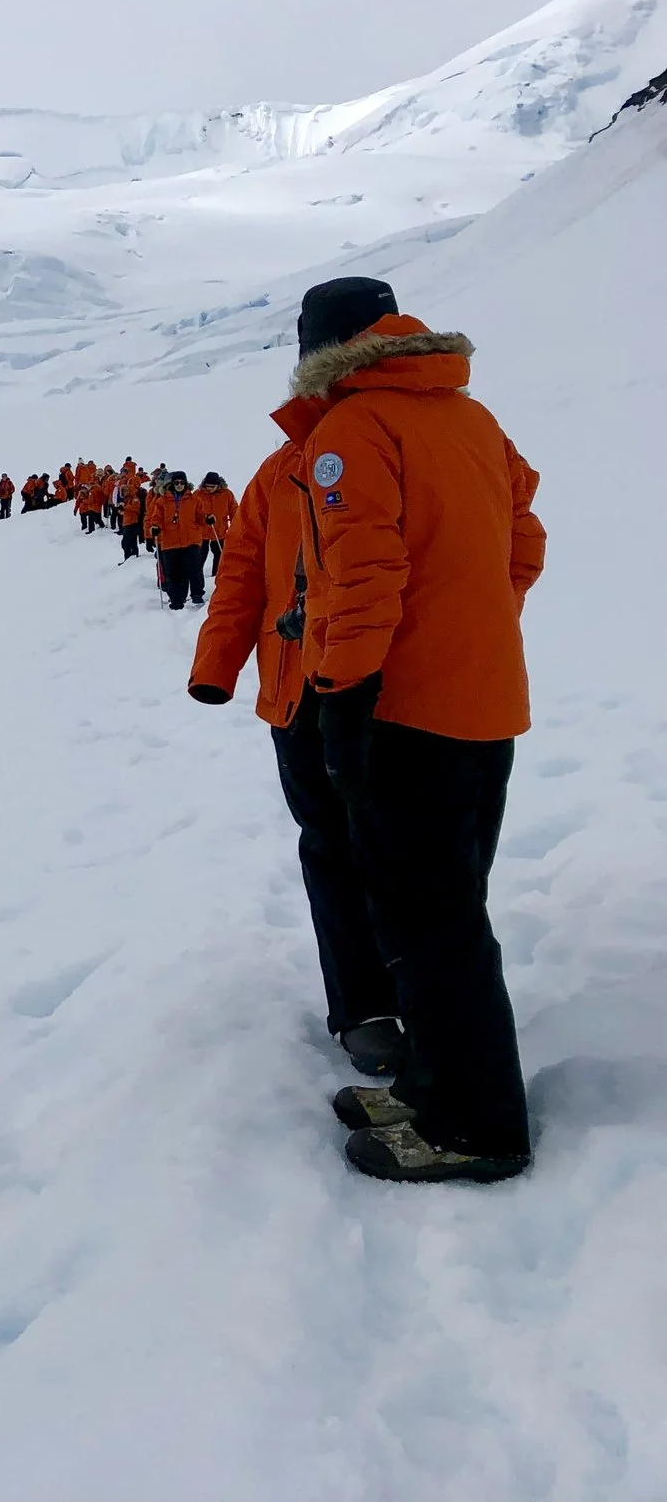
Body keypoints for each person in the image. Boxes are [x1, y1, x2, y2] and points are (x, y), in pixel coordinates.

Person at [288, 276, 544, 1183]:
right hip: (483, 704)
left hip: (405, 712)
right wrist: (472, 628)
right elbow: (524, 541)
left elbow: (362, 576)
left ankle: (475, 1124)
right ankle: (439, 1082)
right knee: (443, 910)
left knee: (430, 922)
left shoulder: (354, 431)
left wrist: (344, 698)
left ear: (325, 345)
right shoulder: (471, 419)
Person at [187, 384, 403, 1083]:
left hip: (392, 687)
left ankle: (423, 992)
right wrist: (215, 665)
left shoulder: (410, 445)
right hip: (299, 692)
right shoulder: (279, 472)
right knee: (332, 847)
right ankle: (365, 1007)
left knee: (400, 845)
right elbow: (243, 571)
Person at [151, 472, 211, 609]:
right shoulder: (162, 501)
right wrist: (155, 527)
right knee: (173, 573)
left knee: (193, 569)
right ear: (172, 484)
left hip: (191, 540)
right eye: (176, 483)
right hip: (170, 542)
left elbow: (200, 516)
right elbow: (156, 518)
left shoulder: (194, 499)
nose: (179, 485)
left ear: (186, 483)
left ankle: (197, 595)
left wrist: (207, 518)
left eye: (182, 483)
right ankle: (177, 600)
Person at [201, 471, 237, 570]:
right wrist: (204, 518)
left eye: (212, 486)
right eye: (207, 486)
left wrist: (236, 526)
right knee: (200, 557)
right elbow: (193, 511)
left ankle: (216, 576)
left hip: (219, 531)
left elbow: (234, 510)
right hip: (201, 532)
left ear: (218, 485)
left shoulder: (227, 494)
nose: (209, 489)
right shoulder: (198, 494)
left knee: (219, 556)